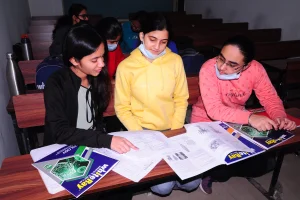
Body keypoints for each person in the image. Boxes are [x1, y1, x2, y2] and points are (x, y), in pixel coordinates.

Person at [191, 35, 297, 194]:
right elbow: (214, 110)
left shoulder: (255, 69)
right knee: (222, 171)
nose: (222, 67)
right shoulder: (208, 68)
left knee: (262, 165)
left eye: (232, 64)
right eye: (221, 58)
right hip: (205, 121)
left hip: (236, 121)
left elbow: (269, 97)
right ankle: (215, 171)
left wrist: (279, 116)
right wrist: (249, 118)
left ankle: (223, 166)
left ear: (246, 66)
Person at [114, 12, 201, 196]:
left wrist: (175, 131)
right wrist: (142, 135)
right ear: (141, 36)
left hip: (172, 128)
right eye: (152, 39)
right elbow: (122, 108)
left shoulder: (175, 60)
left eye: (163, 41)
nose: (157, 47)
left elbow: (180, 98)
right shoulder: (127, 66)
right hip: (143, 130)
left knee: (193, 183)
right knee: (162, 188)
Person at [44, 23, 138, 156]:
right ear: (74, 60)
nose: (102, 64)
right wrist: (105, 140)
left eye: (102, 56)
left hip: (92, 144)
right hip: (64, 148)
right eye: (94, 60)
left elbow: (97, 120)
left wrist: (103, 139)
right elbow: (60, 132)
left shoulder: (96, 76)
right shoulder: (57, 83)